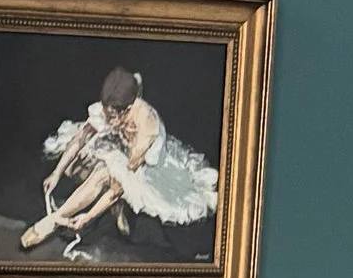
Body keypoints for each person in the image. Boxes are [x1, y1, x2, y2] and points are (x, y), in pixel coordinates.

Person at [21, 65, 218, 256]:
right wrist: (56, 173)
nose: (108, 120)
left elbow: (118, 187)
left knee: (104, 174)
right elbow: (81, 137)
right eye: (107, 114)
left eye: (113, 116)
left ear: (128, 109)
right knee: (76, 164)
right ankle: (69, 215)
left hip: (147, 168)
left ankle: (54, 220)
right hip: (122, 144)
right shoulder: (113, 107)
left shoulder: (147, 128)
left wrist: (88, 217)